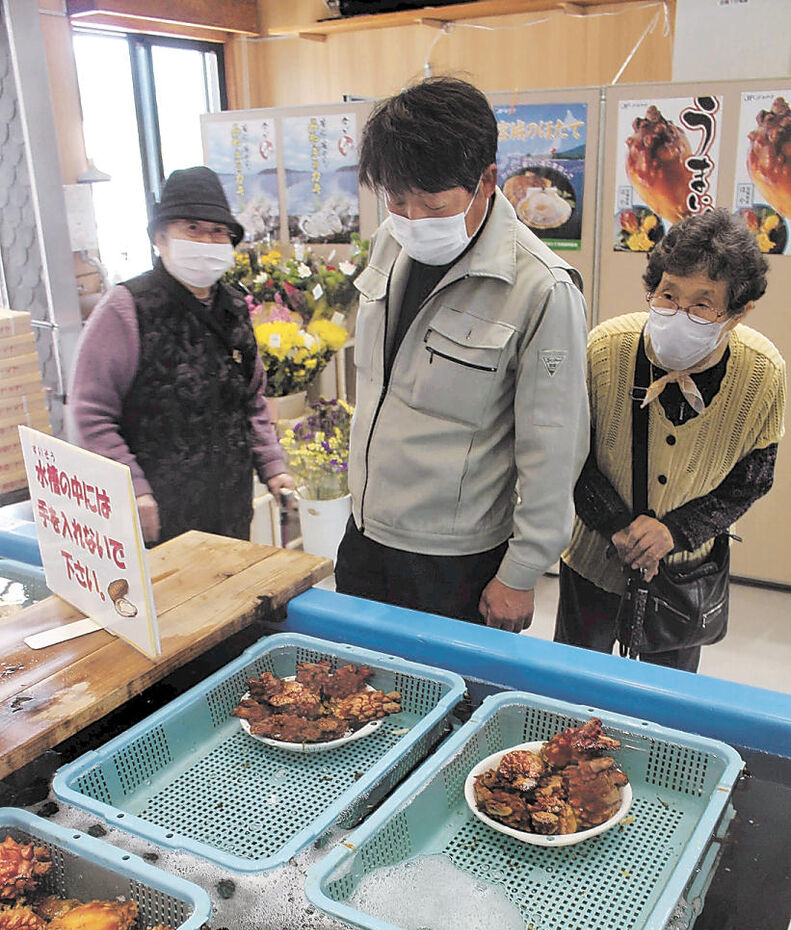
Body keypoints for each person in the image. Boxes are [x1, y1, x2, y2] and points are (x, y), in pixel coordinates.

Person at [334, 77, 589, 633]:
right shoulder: (390, 242)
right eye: (397, 201)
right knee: (358, 696)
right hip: (366, 531)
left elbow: (555, 444)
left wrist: (521, 573)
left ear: (487, 181)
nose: (413, 220)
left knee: (447, 709)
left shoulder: (541, 287)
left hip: (453, 559)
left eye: (433, 204)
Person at [555, 207, 786, 672]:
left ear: (738, 312)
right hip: (593, 557)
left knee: (666, 702)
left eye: (702, 305)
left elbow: (752, 478)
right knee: (572, 685)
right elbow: (567, 453)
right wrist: (617, 525)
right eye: (667, 296)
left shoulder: (763, 373)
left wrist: (674, 534)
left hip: (684, 574)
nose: (680, 314)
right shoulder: (606, 349)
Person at [69, 166, 292, 545]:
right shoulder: (127, 307)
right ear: (160, 236)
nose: (207, 240)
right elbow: (89, 413)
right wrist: (133, 487)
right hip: (153, 513)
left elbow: (251, 401)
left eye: (218, 231)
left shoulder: (234, 307)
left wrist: (273, 467)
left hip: (229, 507)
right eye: (192, 227)